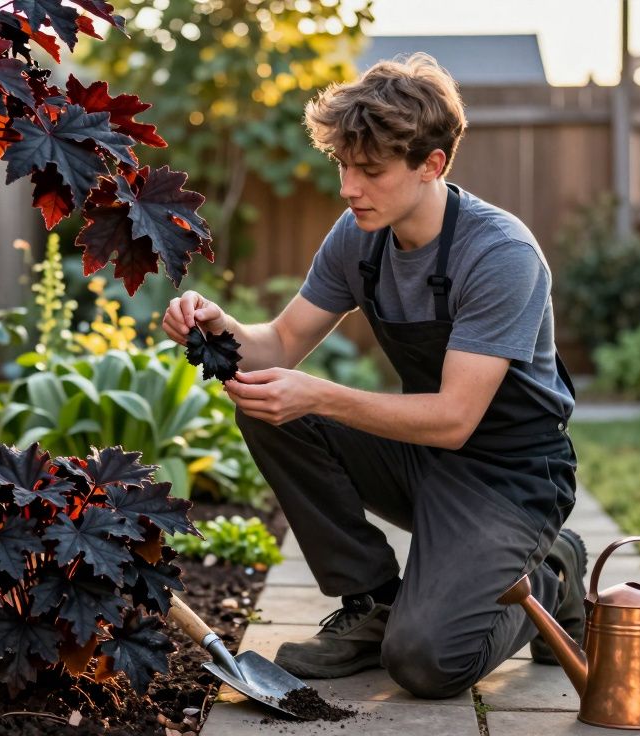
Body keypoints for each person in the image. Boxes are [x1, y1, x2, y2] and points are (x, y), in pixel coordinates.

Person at [161, 53, 583, 699]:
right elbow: (278, 346)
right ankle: (373, 601)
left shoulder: (499, 255)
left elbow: (453, 418)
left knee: (423, 663)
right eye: (342, 166)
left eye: (371, 171)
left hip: (510, 479)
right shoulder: (360, 237)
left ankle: (551, 573)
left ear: (431, 165)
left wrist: (322, 396)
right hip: (424, 461)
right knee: (270, 404)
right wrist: (220, 328)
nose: (348, 187)